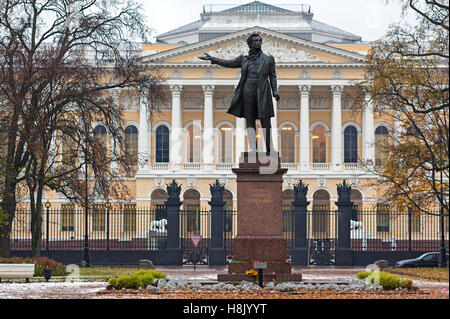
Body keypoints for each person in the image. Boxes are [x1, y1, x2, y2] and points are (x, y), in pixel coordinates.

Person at [199, 33, 280, 153]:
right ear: (250, 44)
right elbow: (229, 63)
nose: (258, 42)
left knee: (266, 120)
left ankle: (270, 147)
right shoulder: (244, 58)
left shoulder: (268, 59)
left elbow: (272, 76)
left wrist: (275, 91)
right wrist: (213, 59)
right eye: (256, 41)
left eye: (259, 40)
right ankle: (253, 149)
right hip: (248, 91)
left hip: (263, 91)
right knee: (250, 120)